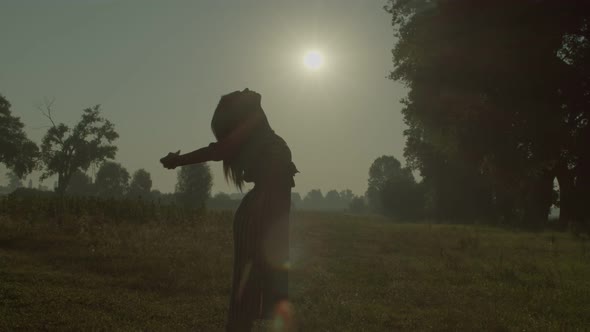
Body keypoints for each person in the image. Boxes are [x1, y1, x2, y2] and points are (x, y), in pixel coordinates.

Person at [160, 88, 298, 331]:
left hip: (270, 210)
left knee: (267, 276)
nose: (244, 91)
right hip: (260, 211)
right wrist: (179, 161)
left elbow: (255, 97)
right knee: (251, 277)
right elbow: (219, 150)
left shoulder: (260, 131)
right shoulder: (251, 125)